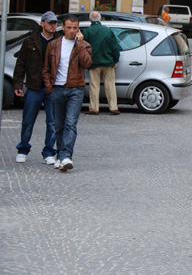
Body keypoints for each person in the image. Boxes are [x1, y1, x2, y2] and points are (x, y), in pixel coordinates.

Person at [42, 15, 92, 171]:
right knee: (59, 126)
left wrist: (80, 44)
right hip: (57, 89)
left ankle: (66, 156)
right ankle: (60, 156)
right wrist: (49, 86)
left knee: (70, 124)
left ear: (78, 29)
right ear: (63, 28)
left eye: (75, 28)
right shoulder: (53, 45)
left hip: (76, 89)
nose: (72, 31)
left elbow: (87, 63)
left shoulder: (84, 45)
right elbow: (46, 69)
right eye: (69, 27)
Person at [13, 11, 60, 164]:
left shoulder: (60, 41)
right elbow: (21, 64)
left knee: (52, 123)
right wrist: (18, 84)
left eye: (55, 23)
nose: (53, 25)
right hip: (34, 86)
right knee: (28, 121)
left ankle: (48, 152)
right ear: (42, 24)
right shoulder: (30, 41)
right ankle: (23, 149)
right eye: (50, 23)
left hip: (52, 88)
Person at [82, 11, 121, 115]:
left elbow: (83, 48)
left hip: (93, 63)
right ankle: (113, 107)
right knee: (110, 85)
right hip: (108, 62)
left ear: (90, 20)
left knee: (94, 86)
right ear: (100, 19)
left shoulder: (87, 31)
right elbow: (114, 47)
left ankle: (94, 108)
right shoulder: (108, 30)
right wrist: (115, 60)